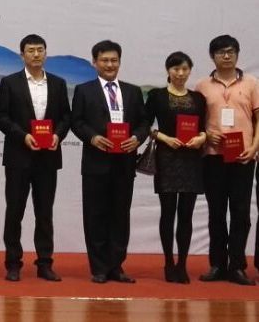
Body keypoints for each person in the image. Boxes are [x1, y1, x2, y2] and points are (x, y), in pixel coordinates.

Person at [71, 40, 149, 284]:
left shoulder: (133, 91)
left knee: (120, 215)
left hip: (124, 163)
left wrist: (137, 138)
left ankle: (116, 266)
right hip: (96, 163)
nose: (109, 65)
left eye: (114, 60)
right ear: (94, 62)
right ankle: (99, 267)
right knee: (95, 215)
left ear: (120, 62)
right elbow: (76, 122)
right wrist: (92, 137)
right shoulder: (84, 90)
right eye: (104, 60)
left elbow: (144, 122)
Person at [0, 34, 70, 282]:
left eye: (40, 50)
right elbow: (1, 117)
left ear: (46, 53)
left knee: (44, 213)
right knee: (14, 211)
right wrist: (23, 136)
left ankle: (45, 263)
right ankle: (13, 263)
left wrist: (58, 135)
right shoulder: (9, 82)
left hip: (48, 157)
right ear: (22, 55)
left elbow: (66, 117)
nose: (36, 54)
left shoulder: (58, 83)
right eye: (31, 50)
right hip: (18, 156)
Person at [194, 35, 258, 286]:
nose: (227, 56)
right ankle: (217, 265)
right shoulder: (202, 86)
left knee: (241, 212)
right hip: (213, 156)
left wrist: (254, 147)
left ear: (238, 54)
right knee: (216, 212)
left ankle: (237, 266)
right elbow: (195, 122)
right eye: (221, 52)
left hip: (243, 157)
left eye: (231, 51)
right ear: (212, 56)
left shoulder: (252, 83)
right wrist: (207, 135)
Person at [144, 51, 206, 284]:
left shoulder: (198, 98)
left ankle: (183, 264)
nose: (180, 73)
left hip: (191, 159)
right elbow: (144, 125)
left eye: (185, 69)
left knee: (186, 214)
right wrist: (164, 138)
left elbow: (205, 127)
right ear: (168, 70)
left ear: (190, 71)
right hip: (167, 157)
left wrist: (202, 137)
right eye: (176, 69)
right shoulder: (157, 96)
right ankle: (169, 262)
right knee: (168, 212)